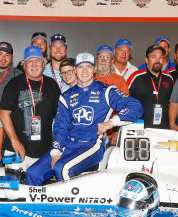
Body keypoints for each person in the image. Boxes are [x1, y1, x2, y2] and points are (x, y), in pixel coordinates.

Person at [25, 52, 143, 186]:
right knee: (32, 173)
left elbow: (136, 106)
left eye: (89, 66)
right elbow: (60, 128)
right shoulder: (66, 96)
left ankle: (69, 208)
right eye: (81, 67)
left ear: (94, 70)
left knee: (62, 169)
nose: (85, 71)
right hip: (68, 146)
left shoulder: (106, 91)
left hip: (92, 145)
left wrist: (112, 122)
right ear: (75, 70)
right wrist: (56, 152)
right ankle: (38, 207)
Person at [0, 46, 61, 170]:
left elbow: (59, 117)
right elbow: (3, 114)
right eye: (29, 61)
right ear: (24, 65)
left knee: (39, 188)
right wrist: (14, 141)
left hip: (44, 152)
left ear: (43, 63)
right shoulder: (14, 84)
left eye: (37, 60)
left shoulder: (52, 85)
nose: (34, 64)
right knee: (15, 188)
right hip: (16, 150)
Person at [128, 44, 174, 128]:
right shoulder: (135, 77)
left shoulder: (169, 78)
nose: (158, 60)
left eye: (161, 57)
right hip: (141, 127)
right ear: (146, 60)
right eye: (154, 57)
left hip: (163, 128)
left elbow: (173, 104)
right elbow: (124, 102)